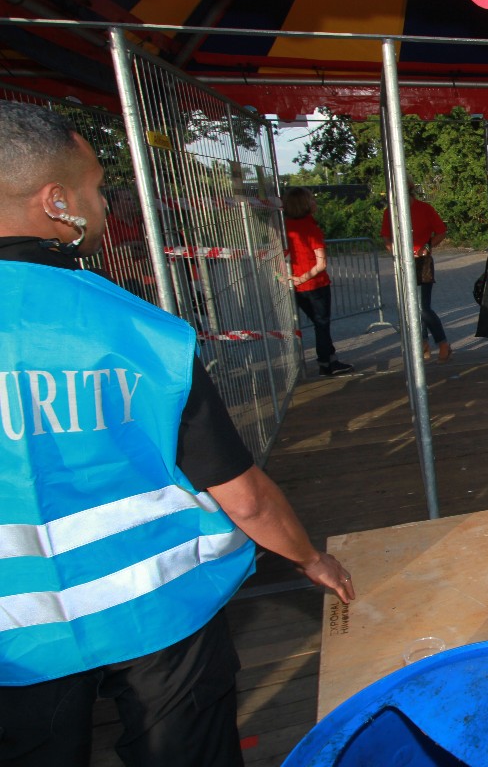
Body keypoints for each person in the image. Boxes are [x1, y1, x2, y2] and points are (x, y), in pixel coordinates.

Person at [0, 102, 356, 767]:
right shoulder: (137, 330)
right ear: (57, 202)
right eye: (95, 187)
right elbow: (242, 494)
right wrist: (309, 557)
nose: (103, 205)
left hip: (14, 637)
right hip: (157, 609)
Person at [283, 187, 352, 376]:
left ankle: (330, 359)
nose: (315, 202)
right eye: (311, 199)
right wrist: (303, 278)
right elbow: (321, 264)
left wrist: (287, 278)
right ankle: (326, 363)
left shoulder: (284, 228)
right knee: (322, 324)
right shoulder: (311, 229)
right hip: (315, 284)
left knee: (319, 323)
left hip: (296, 286)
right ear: (304, 204)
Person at [381, 188, 452, 362]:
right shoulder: (390, 212)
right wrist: (394, 251)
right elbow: (386, 237)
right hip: (403, 262)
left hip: (422, 262)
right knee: (412, 307)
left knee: (422, 307)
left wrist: (427, 247)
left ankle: (442, 343)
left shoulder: (425, 208)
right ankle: (423, 343)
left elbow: (441, 231)